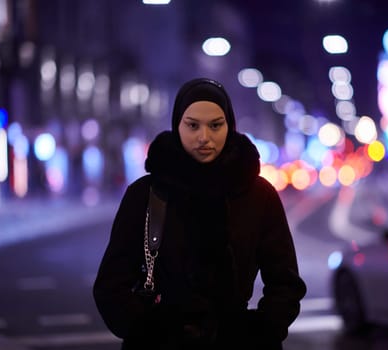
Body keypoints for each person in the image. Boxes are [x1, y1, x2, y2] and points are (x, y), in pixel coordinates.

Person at [93, 77, 307, 349]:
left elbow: (285, 283)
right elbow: (111, 286)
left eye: (215, 125)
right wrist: (147, 331)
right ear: (177, 125)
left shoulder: (258, 194)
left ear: (229, 126)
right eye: (192, 125)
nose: (204, 137)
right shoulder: (147, 194)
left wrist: (259, 332)